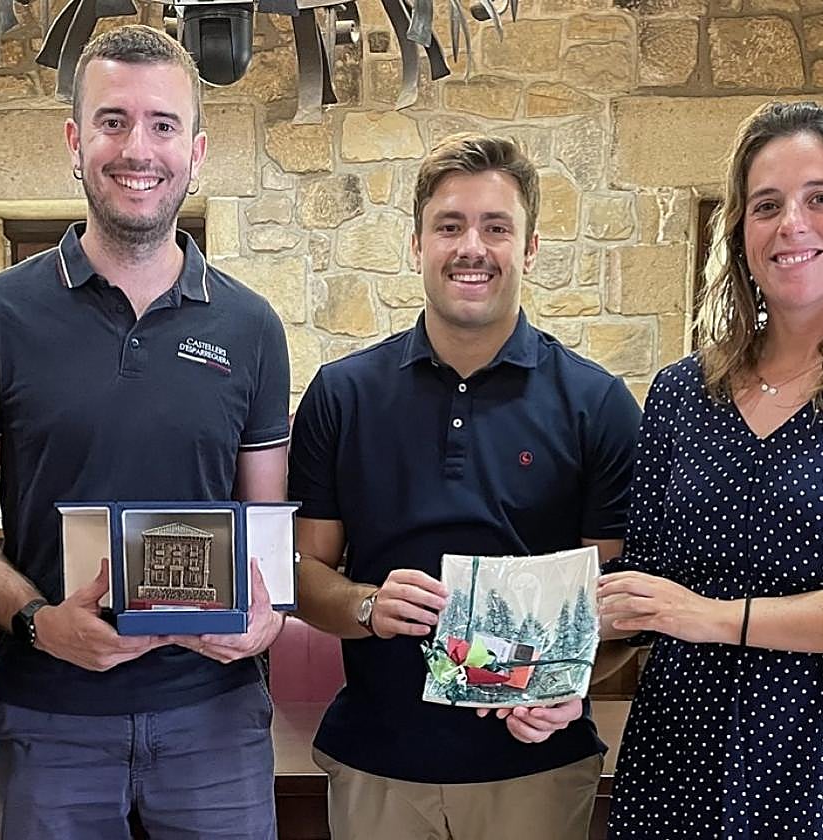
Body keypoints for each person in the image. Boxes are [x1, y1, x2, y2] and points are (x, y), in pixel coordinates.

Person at [0, 24, 291, 840]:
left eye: (163, 125)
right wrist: (36, 622)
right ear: (74, 139)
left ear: (197, 150)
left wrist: (270, 617)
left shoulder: (252, 325)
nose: (139, 147)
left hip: (216, 718)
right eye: (113, 120)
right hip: (50, 717)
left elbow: (265, 530)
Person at [288, 132, 642, 840]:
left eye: (496, 227)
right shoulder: (341, 395)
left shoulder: (598, 404)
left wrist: (570, 687)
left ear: (530, 247)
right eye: (449, 226)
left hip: (535, 770)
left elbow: (617, 599)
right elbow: (300, 573)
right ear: (417, 246)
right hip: (379, 767)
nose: (471, 247)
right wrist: (365, 605)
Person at [600, 101, 823, 839]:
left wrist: (708, 618)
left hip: (821, 761)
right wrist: (551, 671)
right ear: (739, 233)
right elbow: (641, 587)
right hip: (677, 757)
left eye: (821, 198)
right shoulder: (682, 393)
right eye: (766, 205)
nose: (791, 225)